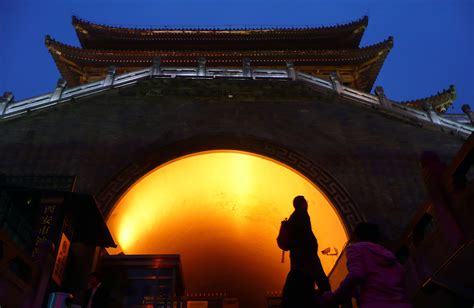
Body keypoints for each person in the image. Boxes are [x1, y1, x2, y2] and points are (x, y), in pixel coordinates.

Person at [323, 222, 412, 308]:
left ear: (356, 236)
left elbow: (356, 274)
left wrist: (335, 297)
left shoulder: (356, 248)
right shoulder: (388, 255)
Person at [280, 195, 331, 308]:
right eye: (306, 202)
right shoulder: (302, 215)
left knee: (300, 282)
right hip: (307, 257)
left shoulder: (293, 217)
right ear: (303, 203)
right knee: (322, 283)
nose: (307, 204)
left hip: (296, 258)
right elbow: (305, 236)